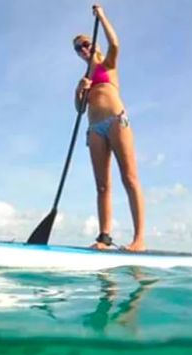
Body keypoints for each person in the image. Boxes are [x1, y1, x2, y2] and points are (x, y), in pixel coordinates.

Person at [73, 5, 146, 251]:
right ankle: (104, 237)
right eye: (78, 48)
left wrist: (102, 17)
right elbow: (80, 109)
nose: (83, 49)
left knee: (130, 178)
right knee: (102, 185)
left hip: (116, 121)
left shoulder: (107, 63)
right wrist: (79, 90)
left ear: (94, 45)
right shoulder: (84, 77)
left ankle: (138, 240)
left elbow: (115, 44)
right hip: (94, 129)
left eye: (85, 43)